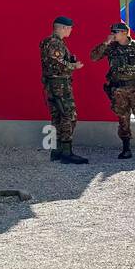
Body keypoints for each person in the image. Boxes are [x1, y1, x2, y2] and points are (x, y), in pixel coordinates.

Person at [90, 23, 135, 161]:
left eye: (114, 32)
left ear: (124, 33)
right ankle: (126, 149)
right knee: (123, 119)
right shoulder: (110, 48)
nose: (112, 34)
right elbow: (94, 57)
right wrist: (106, 42)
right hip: (118, 90)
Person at [39, 15, 88, 163]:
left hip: (53, 84)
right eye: (70, 28)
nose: (71, 30)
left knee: (57, 117)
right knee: (68, 116)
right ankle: (66, 152)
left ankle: (57, 150)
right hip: (59, 85)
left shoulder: (49, 42)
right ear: (62, 28)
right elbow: (58, 63)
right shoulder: (55, 43)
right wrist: (74, 66)